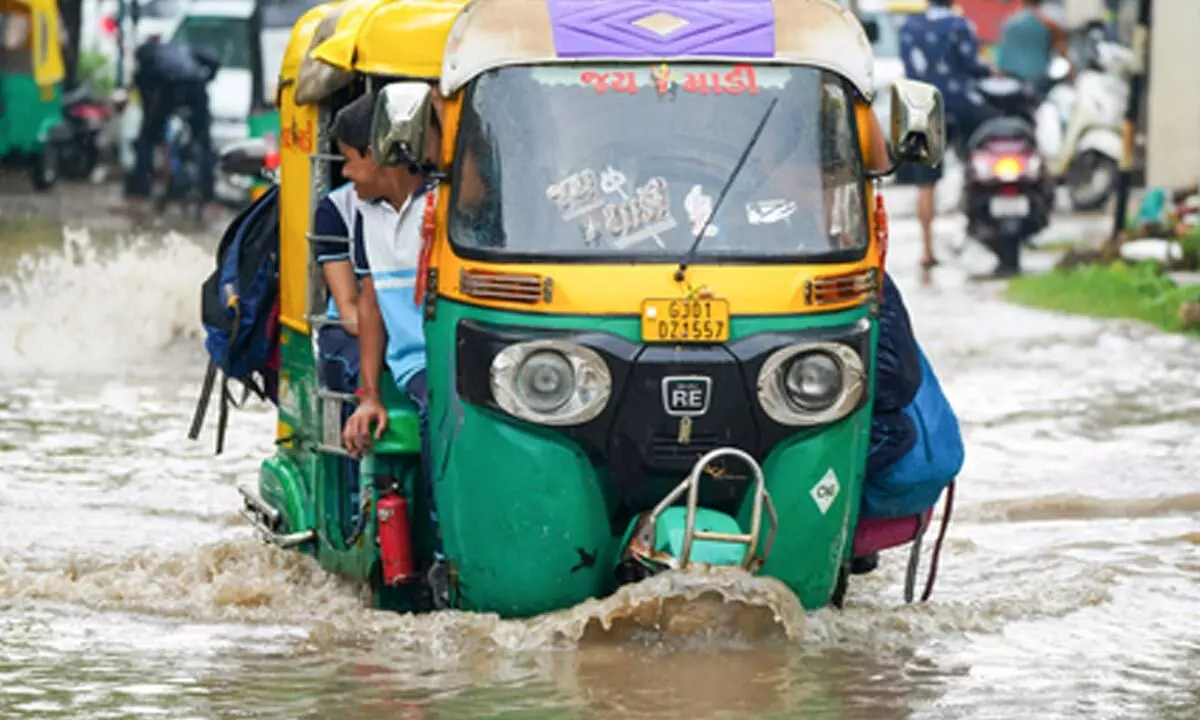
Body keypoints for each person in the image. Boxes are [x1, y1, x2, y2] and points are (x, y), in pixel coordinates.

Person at [337, 86, 445, 459]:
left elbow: (476, 191)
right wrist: (369, 396)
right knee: (442, 408)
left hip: (461, 355)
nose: (345, 172)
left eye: (349, 159)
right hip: (420, 364)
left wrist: (443, 117)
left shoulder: (440, 201)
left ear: (380, 153)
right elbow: (371, 306)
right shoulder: (366, 216)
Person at [897, 0, 993, 272]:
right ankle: (973, 232)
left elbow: (908, 65)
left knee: (925, 184)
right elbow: (972, 63)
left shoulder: (909, 27)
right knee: (975, 167)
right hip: (959, 106)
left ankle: (927, 250)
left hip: (923, 107)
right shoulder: (959, 26)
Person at [124, 38, 220, 214]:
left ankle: (140, 190)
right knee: (204, 142)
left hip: (169, 89)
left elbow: (147, 105)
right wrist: (207, 78)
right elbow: (214, 60)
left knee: (146, 140)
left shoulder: (147, 66)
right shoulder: (183, 46)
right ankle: (209, 196)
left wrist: (151, 126)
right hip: (196, 85)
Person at [995, 0, 1069, 90]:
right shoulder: (1050, 25)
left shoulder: (1010, 23)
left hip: (1012, 80)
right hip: (1039, 82)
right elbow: (1063, 54)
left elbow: (1002, 57)